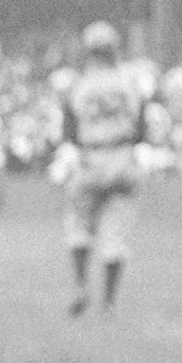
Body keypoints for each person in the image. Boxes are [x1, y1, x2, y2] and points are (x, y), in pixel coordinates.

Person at [59, 20, 152, 318]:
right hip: (122, 157)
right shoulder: (130, 82)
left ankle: (80, 285)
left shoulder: (78, 83)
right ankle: (109, 303)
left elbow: (70, 132)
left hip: (90, 158)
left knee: (79, 226)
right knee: (116, 235)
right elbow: (141, 130)